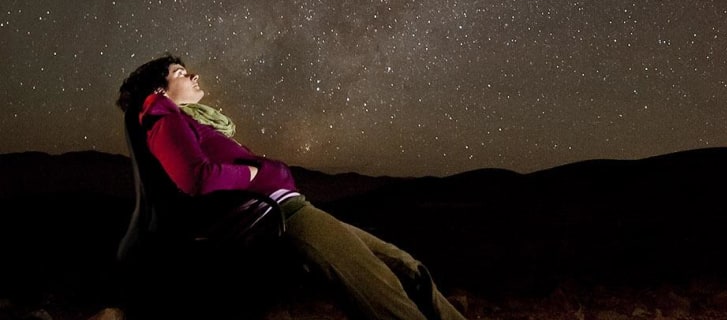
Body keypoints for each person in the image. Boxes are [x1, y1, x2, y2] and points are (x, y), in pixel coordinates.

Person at [116, 53, 468, 320]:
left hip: (298, 208)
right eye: (180, 72)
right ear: (160, 89)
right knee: (384, 295)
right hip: (284, 217)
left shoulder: (196, 122)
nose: (192, 75)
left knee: (407, 267)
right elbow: (196, 178)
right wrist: (253, 173)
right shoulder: (162, 115)